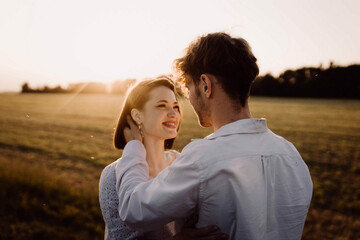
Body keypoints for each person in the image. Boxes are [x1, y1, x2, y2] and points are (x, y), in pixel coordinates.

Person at [115, 32, 313, 240]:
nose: (189, 99)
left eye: (189, 88)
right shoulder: (291, 155)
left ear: (206, 85)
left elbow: (133, 209)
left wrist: (134, 147)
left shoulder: (203, 158)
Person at [99, 76, 226, 240]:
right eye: (161, 106)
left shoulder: (183, 163)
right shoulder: (113, 176)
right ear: (137, 116)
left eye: (175, 106)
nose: (173, 114)